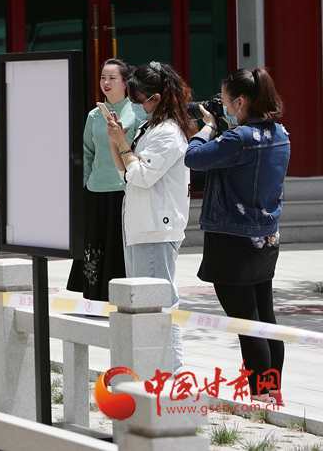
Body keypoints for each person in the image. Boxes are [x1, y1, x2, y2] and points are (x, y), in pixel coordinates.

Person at [184, 68, 291, 406]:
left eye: (227, 101)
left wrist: (208, 127)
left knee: (246, 322)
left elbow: (193, 158)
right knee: (265, 317)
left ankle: (259, 396)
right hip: (265, 238)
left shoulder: (239, 139)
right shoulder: (279, 133)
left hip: (233, 240)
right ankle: (272, 391)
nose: (225, 107)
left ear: (241, 102)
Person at [106, 61, 195, 374]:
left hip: (157, 228)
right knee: (143, 305)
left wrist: (121, 143)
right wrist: (116, 140)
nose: (135, 106)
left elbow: (142, 175)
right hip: (141, 226)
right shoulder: (151, 128)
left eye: (138, 100)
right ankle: (150, 372)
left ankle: (172, 374)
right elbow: (125, 172)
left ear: (156, 98)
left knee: (160, 305)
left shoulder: (168, 133)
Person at [67, 59, 136, 301]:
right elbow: (87, 152)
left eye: (112, 78)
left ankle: (119, 297)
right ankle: (94, 297)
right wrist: (85, 183)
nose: (106, 83)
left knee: (118, 247)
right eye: (103, 77)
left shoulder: (136, 112)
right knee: (94, 246)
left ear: (125, 83)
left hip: (124, 191)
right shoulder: (94, 115)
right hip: (95, 190)